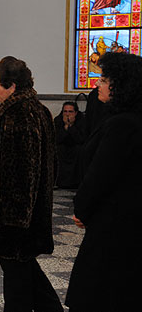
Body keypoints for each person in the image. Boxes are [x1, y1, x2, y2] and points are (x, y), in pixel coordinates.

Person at [0, 56, 63, 312]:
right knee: (24, 269)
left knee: (17, 278)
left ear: (12, 86)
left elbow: (21, 172)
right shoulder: (36, 109)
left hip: (14, 216)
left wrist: (14, 221)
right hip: (25, 213)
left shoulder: (18, 115)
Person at [65, 52, 142, 311]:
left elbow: (101, 174)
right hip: (122, 219)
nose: (98, 83)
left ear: (122, 85)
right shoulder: (124, 118)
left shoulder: (123, 125)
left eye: (105, 79)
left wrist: (82, 209)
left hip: (114, 222)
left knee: (98, 291)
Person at [53, 102, 85, 189]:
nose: (67, 114)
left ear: (76, 113)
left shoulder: (82, 121)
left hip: (76, 146)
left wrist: (71, 127)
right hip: (62, 146)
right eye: (65, 111)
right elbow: (57, 139)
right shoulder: (58, 120)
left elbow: (80, 139)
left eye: (70, 112)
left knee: (79, 150)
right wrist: (65, 127)